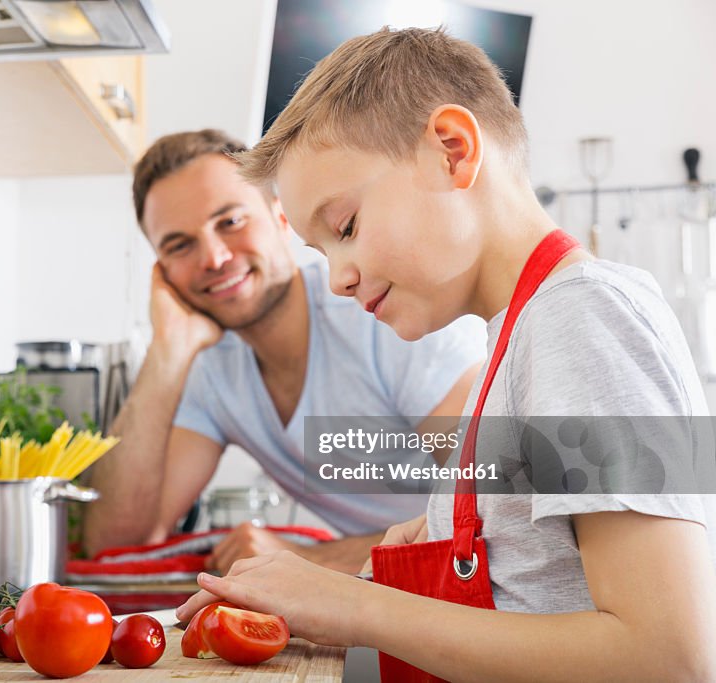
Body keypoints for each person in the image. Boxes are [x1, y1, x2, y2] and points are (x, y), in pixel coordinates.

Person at [176, 27, 716, 681]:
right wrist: (445, 526)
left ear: (452, 152)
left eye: (345, 226)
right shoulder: (520, 338)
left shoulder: (581, 316)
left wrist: (353, 600)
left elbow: (669, 657)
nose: (338, 277)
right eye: (322, 252)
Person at [82, 129, 486, 574]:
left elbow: (502, 496)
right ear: (163, 272)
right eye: (180, 245)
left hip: (480, 593)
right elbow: (114, 543)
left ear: (280, 217)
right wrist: (166, 352)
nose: (214, 257)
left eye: (231, 221)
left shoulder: (376, 316)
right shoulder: (211, 369)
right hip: (385, 597)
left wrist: (310, 560)